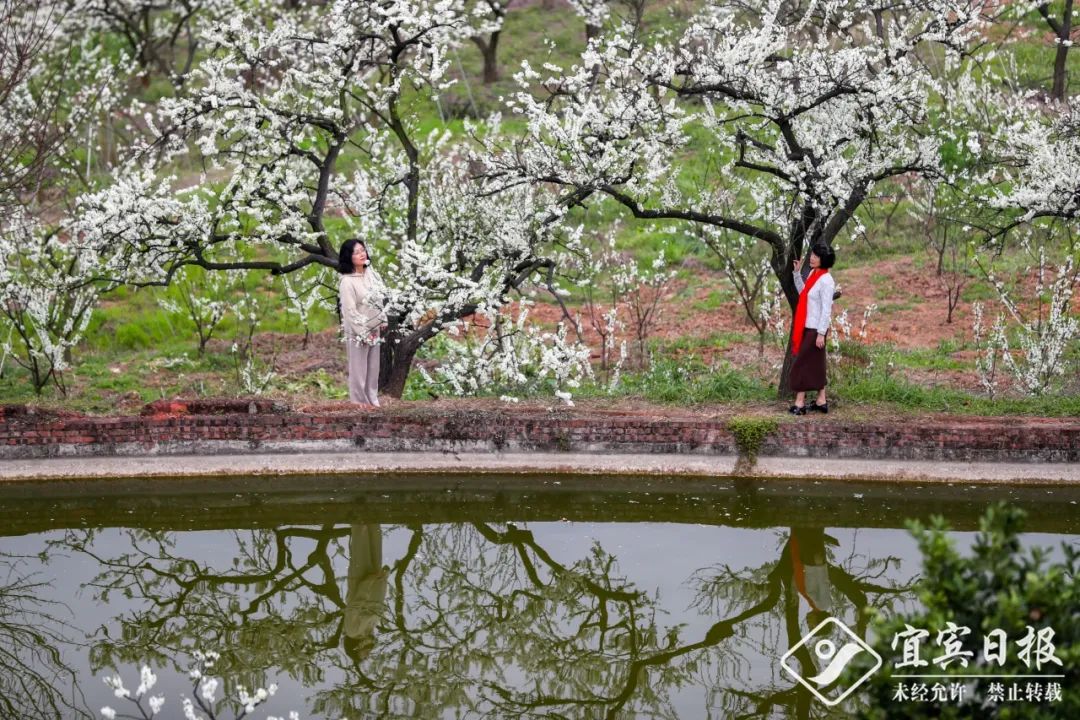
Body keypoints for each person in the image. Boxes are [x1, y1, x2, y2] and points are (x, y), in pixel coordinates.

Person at [338, 239, 388, 406]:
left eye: (363, 250)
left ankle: (372, 400)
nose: (361, 254)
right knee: (359, 369)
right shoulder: (347, 282)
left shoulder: (372, 274)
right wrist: (364, 333)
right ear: (348, 257)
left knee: (373, 368)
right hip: (357, 331)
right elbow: (350, 312)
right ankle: (359, 402)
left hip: (375, 327)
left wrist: (383, 318)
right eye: (356, 252)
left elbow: (380, 297)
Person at [789, 243, 836, 415]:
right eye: (813, 254)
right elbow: (805, 294)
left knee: (802, 364)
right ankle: (821, 400)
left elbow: (827, 309)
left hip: (816, 329)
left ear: (824, 259)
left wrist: (821, 333)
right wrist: (796, 273)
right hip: (808, 327)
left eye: (816, 256)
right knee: (816, 365)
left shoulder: (826, 280)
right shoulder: (813, 274)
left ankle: (799, 403)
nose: (812, 257)